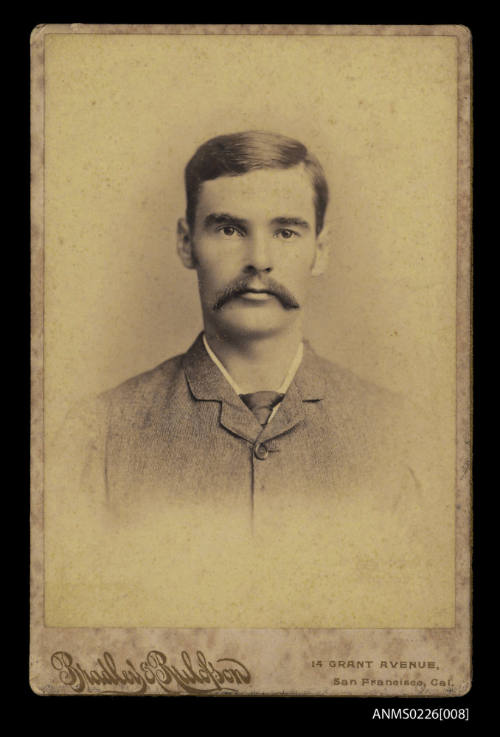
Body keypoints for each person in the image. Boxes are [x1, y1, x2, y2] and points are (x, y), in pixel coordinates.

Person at [48, 131, 442, 627]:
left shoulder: (399, 433)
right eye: (230, 229)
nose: (259, 258)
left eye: (286, 231)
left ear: (320, 250)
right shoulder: (98, 433)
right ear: (186, 242)